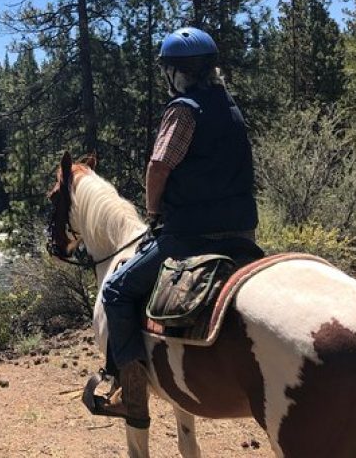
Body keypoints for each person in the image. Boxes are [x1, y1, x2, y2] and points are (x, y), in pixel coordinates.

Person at [83, 26, 261, 428]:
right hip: (242, 233)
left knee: (116, 289)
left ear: (175, 72)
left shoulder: (183, 109)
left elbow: (159, 167)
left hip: (191, 234)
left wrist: (153, 212)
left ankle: (129, 394)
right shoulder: (230, 107)